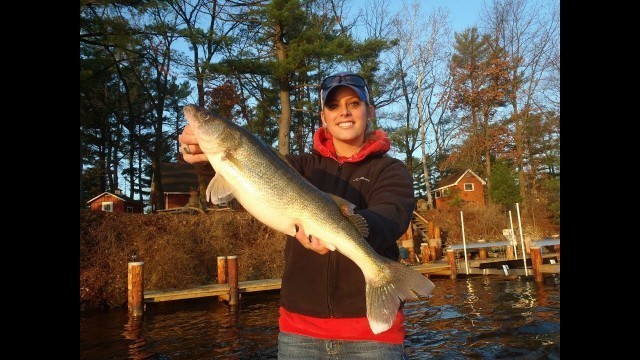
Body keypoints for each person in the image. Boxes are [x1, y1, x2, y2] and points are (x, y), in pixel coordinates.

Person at [179, 72, 415, 359]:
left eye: (354, 103)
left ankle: (380, 274)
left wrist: (350, 234)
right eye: (333, 106)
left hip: (371, 337)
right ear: (323, 116)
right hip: (299, 334)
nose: (344, 112)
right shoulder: (299, 166)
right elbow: (245, 183)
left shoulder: (390, 170)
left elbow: (392, 215)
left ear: (370, 111)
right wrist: (204, 160)